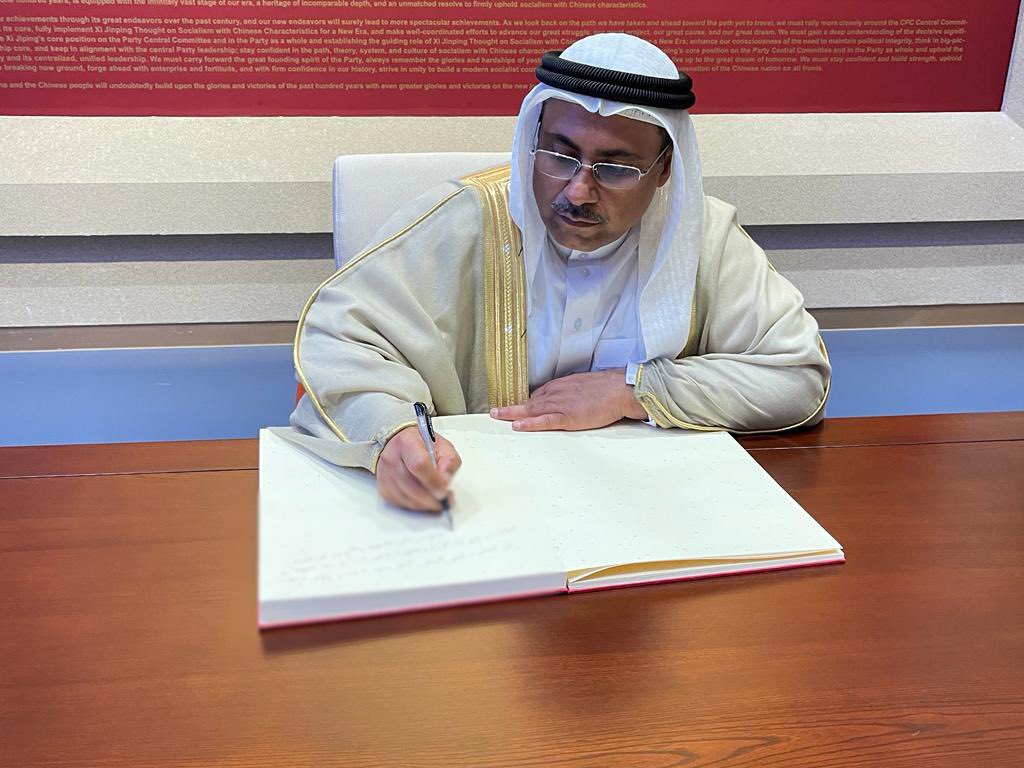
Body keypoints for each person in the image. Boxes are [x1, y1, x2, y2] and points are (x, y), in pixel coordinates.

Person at [287, 33, 830, 512]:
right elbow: (340, 336)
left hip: (649, 503)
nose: (578, 190)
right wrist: (393, 431)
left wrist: (634, 390)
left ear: (664, 169)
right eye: (559, 155)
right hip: (479, 501)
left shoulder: (703, 238)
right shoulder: (464, 221)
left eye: (615, 168)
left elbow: (796, 378)